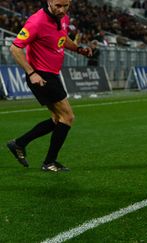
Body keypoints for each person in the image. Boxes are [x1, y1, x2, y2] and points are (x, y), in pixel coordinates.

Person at [7, 0, 92, 172]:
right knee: (68, 117)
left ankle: (19, 143)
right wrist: (32, 73)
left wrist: (78, 49)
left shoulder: (63, 18)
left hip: (52, 74)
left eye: (66, 6)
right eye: (58, 6)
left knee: (57, 119)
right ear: (49, 2)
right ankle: (49, 162)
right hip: (42, 76)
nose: (62, 10)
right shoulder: (36, 22)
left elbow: (62, 38)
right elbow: (15, 49)